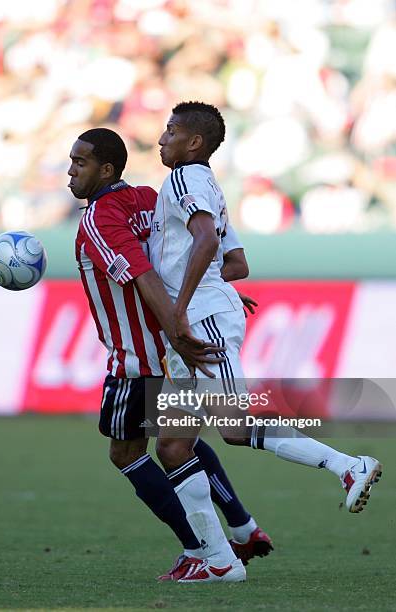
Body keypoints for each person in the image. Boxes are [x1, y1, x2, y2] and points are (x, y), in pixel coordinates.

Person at [148, 101, 383, 582]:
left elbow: (209, 245)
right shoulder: (206, 186)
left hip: (198, 322)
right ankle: (218, 561)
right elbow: (236, 263)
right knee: (172, 445)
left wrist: (182, 304)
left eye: (171, 130)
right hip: (200, 316)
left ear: (194, 142)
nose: (162, 138)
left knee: (232, 428)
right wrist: (208, 288)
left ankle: (348, 464)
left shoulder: (185, 179)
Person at [68, 128, 272, 582]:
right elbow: (182, 255)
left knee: (127, 453)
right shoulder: (146, 197)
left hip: (139, 355)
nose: (70, 171)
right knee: (184, 442)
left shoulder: (99, 219)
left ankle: (201, 548)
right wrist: (216, 296)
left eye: (79, 163)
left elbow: (143, 275)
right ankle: (243, 527)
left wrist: (179, 329)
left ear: (106, 169)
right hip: (173, 347)